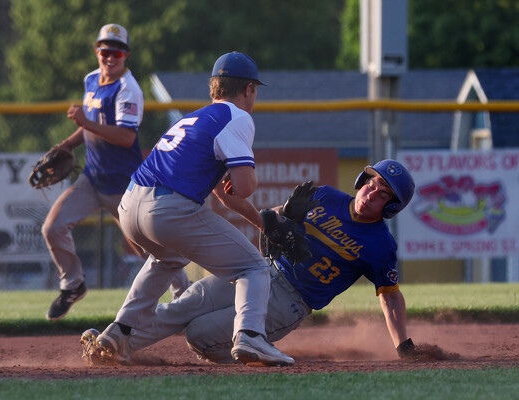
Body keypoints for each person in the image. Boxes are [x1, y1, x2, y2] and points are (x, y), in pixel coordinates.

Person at [81, 159, 418, 364]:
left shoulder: (380, 245)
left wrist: (402, 346)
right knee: (186, 304)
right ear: (362, 182)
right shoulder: (326, 196)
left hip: (291, 302)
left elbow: (390, 297)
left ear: (391, 207)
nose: (372, 193)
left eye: (383, 194)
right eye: (372, 183)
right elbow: (271, 218)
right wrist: (283, 215)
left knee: (199, 334)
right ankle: (116, 346)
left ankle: (258, 353)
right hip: (260, 273)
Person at [87, 51, 295, 367]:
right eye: (254, 90)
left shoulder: (193, 118)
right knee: (253, 268)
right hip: (167, 209)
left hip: (130, 204)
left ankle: (119, 333)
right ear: (249, 89)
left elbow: (224, 195)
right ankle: (251, 336)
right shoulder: (237, 117)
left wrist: (262, 223)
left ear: (214, 87)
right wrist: (246, 177)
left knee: (167, 258)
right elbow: (244, 187)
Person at [41, 23, 189, 321]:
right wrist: (67, 144)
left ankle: (185, 297)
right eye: (105, 51)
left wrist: (84, 121)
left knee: (148, 249)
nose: (110, 57)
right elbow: (89, 126)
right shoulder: (91, 80)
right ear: (96, 51)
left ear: (126, 55)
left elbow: (126, 137)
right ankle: (73, 285)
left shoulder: (128, 89)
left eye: (117, 52)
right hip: (92, 178)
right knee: (53, 228)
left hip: (124, 185)